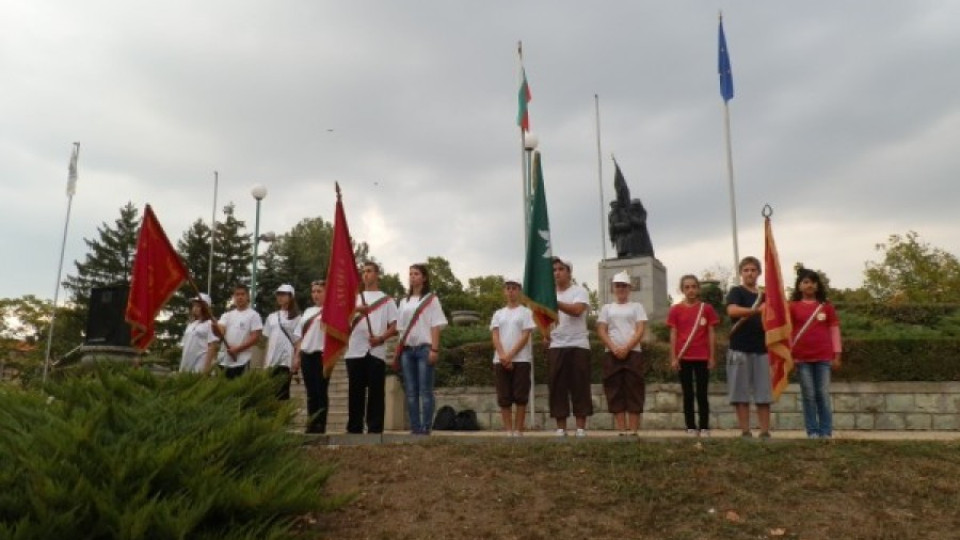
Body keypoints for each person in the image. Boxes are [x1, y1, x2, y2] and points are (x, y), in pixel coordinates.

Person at [345, 262, 399, 434]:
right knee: (355, 392)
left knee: (376, 393)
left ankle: (375, 429)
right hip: (354, 350)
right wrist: (357, 310)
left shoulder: (387, 300)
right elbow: (341, 319)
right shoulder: (354, 299)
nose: (365, 275)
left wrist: (381, 338)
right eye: (363, 272)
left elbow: (395, 326)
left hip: (376, 351)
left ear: (377, 275)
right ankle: (354, 428)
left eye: (369, 271)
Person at [789, 268, 842, 439]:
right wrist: (789, 355)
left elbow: (834, 330)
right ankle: (812, 431)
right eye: (805, 282)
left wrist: (837, 354)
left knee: (823, 395)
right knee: (809, 396)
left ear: (818, 286)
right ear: (799, 286)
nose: (809, 285)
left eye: (812, 282)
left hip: (824, 358)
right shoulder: (792, 307)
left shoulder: (827, 307)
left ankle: (826, 432)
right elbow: (788, 332)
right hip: (801, 358)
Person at [395, 263, 448, 435]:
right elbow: (401, 329)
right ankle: (415, 427)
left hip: (425, 348)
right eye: (410, 274)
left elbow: (435, 325)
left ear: (424, 278)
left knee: (425, 391)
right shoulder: (403, 301)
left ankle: (426, 427)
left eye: (416, 273)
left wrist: (435, 349)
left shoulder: (432, 299)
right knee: (410, 392)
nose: (412, 277)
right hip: (407, 350)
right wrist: (398, 351)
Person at [596, 271, 648, 436]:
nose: (621, 289)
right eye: (618, 286)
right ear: (613, 288)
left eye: (624, 286)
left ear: (629, 288)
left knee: (634, 389)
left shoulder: (637, 306)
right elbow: (602, 330)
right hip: (612, 354)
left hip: (633, 353)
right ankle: (621, 430)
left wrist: (627, 347)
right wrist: (613, 347)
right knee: (614, 389)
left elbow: (640, 329)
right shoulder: (607, 308)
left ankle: (633, 430)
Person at [667, 275, 720, 437]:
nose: (690, 290)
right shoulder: (675, 309)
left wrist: (712, 356)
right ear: (682, 290)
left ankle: (704, 427)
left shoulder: (707, 309)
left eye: (693, 286)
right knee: (688, 394)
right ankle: (690, 426)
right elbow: (673, 334)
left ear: (698, 288)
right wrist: (673, 357)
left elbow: (711, 333)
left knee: (702, 394)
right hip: (684, 358)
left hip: (702, 357)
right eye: (687, 287)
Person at [726, 256, 772, 439]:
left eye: (753, 270)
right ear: (741, 273)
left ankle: (765, 431)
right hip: (739, 348)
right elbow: (732, 310)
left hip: (762, 349)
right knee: (740, 394)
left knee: (764, 395)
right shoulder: (736, 291)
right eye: (746, 270)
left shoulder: (766, 295)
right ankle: (745, 431)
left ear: (759, 272)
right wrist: (756, 310)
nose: (750, 273)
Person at [547, 257, 593, 438]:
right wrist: (545, 334)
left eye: (561, 269)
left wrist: (555, 302)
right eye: (554, 270)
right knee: (557, 386)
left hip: (578, 344)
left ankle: (580, 428)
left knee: (579, 385)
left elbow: (577, 311)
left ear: (569, 272)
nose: (557, 272)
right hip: (556, 345)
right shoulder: (548, 293)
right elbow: (544, 318)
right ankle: (561, 428)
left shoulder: (579, 291)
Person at [489, 277, 536, 437]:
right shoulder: (498, 314)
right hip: (500, 360)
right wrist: (503, 356)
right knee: (504, 396)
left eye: (514, 288)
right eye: (508, 288)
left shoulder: (526, 312)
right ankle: (508, 430)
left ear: (519, 291)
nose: (511, 291)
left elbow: (525, 336)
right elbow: (495, 335)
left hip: (521, 359)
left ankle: (518, 430)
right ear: (504, 291)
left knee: (521, 396)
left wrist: (511, 355)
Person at [293, 280, 329, 434]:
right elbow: (299, 336)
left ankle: (320, 423)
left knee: (321, 390)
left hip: (322, 355)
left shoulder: (330, 311)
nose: (316, 294)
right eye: (313, 291)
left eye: (319, 291)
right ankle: (311, 422)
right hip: (306, 354)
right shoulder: (307, 311)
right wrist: (297, 356)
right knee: (311, 392)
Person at [215, 284, 263, 379]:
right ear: (234, 297)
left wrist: (238, 349)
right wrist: (214, 326)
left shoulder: (253, 315)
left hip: (242, 361)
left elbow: (256, 337)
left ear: (247, 296)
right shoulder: (227, 315)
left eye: (242, 294)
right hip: (224, 361)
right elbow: (221, 332)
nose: (240, 297)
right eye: (237, 294)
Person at [262, 284, 302, 400]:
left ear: (291, 297)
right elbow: (268, 340)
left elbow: (298, 340)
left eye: (283, 294)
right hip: (271, 361)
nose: (280, 297)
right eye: (278, 294)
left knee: (283, 392)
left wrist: (296, 358)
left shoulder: (297, 317)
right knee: (270, 393)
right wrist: (265, 361)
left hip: (285, 360)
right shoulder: (271, 317)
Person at [180, 293, 218, 373]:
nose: (195, 308)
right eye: (194, 306)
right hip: (187, 365)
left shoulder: (210, 323)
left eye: (198, 306)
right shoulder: (191, 325)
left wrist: (206, 369)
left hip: (201, 364)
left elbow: (212, 346)